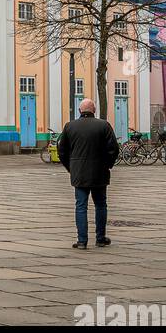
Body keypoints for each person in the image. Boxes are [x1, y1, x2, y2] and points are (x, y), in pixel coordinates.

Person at [58, 98, 120, 249]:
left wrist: (71, 168)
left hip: (79, 173)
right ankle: (100, 238)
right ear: (94, 110)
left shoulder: (70, 126)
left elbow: (62, 151)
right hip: (99, 172)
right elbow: (114, 149)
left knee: (81, 206)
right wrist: (107, 165)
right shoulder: (103, 125)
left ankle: (81, 241)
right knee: (100, 205)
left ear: (80, 111)